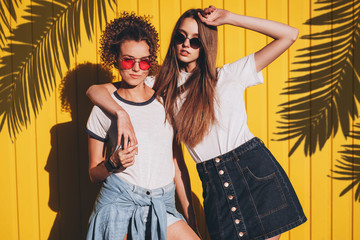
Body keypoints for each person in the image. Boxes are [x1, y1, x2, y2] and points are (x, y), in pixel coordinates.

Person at [87, 6, 307, 240]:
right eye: (181, 37)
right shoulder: (162, 84)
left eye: (195, 41)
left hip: (253, 171)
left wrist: (230, 18)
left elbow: (289, 35)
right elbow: (95, 90)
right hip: (212, 179)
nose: (186, 45)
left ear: (206, 44)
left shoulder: (229, 75)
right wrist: (121, 114)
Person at [85, 12, 199, 240]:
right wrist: (112, 163)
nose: (136, 68)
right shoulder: (104, 107)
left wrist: (190, 217)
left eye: (144, 61)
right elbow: (93, 174)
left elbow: (177, 165)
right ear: (115, 58)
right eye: (128, 60)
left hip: (161, 203)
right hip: (119, 201)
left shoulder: (164, 100)